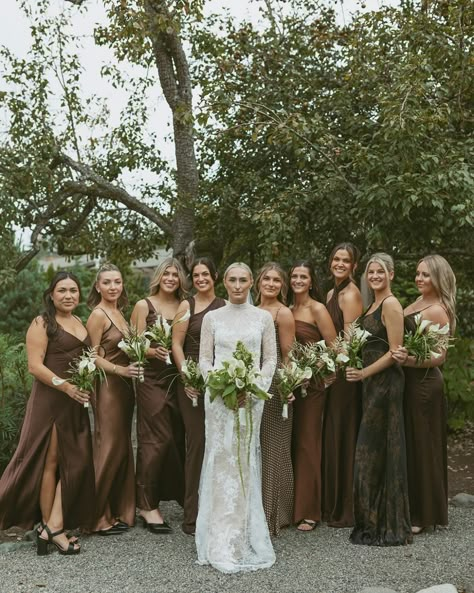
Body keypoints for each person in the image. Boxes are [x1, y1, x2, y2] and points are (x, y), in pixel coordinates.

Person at [0, 271, 95, 555]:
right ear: (51, 294)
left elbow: (88, 358)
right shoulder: (42, 323)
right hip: (52, 400)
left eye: (74, 290)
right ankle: (52, 528)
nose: (69, 295)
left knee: (74, 461)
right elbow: (34, 366)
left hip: (75, 399)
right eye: (62, 290)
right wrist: (65, 387)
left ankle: (49, 527)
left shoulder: (79, 321)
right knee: (52, 462)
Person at [196, 262, 277, 573]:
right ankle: (216, 535)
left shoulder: (263, 318)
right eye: (233, 280)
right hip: (218, 400)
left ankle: (244, 534)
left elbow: (270, 359)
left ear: (252, 282)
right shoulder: (212, 318)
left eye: (244, 280)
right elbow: (205, 359)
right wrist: (221, 383)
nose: (239, 285)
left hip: (251, 398)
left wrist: (252, 385)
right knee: (220, 459)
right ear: (224, 283)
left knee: (244, 460)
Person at [346, 252, 412, 546]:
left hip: (385, 383)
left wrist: (363, 373)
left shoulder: (391, 304)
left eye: (380, 272)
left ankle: (386, 523)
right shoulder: (370, 303)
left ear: (391, 274)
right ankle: (370, 519)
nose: (374, 276)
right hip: (370, 384)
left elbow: (394, 353)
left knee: (373, 450)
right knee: (371, 451)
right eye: (371, 272)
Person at [391, 254, 456, 533]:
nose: (419, 279)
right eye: (418, 274)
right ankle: (412, 507)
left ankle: (424, 514)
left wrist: (406, 361)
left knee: (423, 444)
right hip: (409, 382)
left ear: (438, 277)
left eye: (426, 275)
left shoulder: (438, 309)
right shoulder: (417, 303)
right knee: (412, 443)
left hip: (425, 384)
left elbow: (439, 356)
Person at [131, 257, 187, 533]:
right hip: (151, 379)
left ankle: (177, 494)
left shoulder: (184, 306)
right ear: (158, 277)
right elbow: (133, 345)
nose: (171, 279)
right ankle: (146, 504)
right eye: (167, 274)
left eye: (175, 275)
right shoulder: (144, 305)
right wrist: (153, 351)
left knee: (176, 437)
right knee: (155, 439)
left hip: (176, 379)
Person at [171, 257, 226, 536]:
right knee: (197, 443)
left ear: (215, 276)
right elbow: (176, 344)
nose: (201, 278)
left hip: (219, 381)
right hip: (191, 380)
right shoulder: (186, 306)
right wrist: (186, 376)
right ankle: (192, 515)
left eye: (206, 273)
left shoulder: (226, 307)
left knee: (218, 442)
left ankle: (218, 510)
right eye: (196, 275)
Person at [86, 263, 141, 535]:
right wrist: (121, 369)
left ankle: (118, 510)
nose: (113, 287)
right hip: (107, 387)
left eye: (117, 282)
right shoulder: (98, 315)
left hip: (124, 388)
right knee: (107, 447)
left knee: (120, 447)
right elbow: (91, 356)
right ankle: (94, 516)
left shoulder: (119, 312)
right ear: (97, 286)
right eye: (107, 282)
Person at [288, 261, 337, 532]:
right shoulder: (288, 309)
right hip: (288, 385)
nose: (297, 280)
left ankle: (309, 510)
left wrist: (316, 370)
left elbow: (335, 348)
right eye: (294, 276)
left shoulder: (317, 309)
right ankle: (289, 504)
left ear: (311, 281)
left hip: (311, 386)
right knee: (290, 443)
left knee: (308, 444)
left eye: (302, 276)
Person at [322, 243, 363, 527]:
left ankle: (344, 506)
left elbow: (349, 342)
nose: (340, 263)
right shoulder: (330, 293)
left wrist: (331, 366)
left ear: (354, 266)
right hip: (330, 371)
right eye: (336, 259)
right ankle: (330, 501)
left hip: (343, 374)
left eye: (345, 260)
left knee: (342, 432)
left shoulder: (351, 294)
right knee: (331, 433)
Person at [256, 262, 295, 536]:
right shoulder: (249, 311)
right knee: (254, 449)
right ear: (258, 281)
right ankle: (254, 512)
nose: (271, 284)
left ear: (282, 285)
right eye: (266, 279)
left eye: (276, 280)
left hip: (274, 388)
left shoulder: (283, 313)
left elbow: (288, 356)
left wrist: (287, 386)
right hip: (248, 384)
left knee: (273, 448)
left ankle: (274, 515)